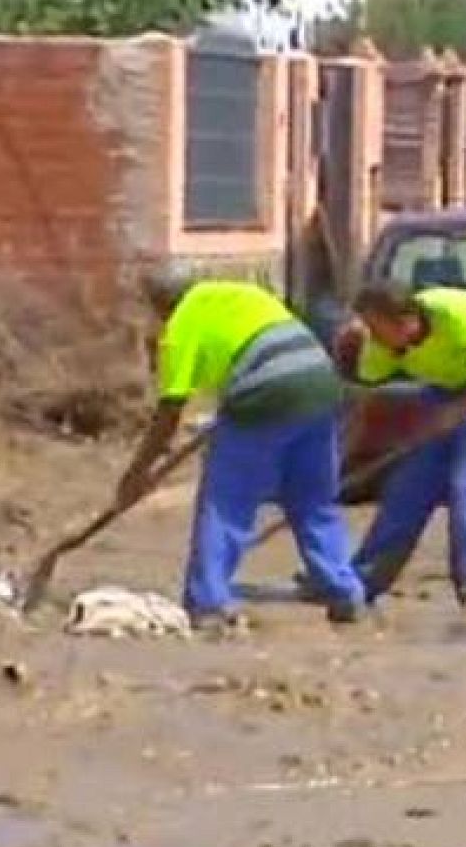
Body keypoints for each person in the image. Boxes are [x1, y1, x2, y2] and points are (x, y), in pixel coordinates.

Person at [116, 268, 366, 631]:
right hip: (319, 378)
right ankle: (345, 593)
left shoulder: (181, 328)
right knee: (313, 501)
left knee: (226, 502)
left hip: (264, 390)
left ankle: (208, 602)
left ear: (161, 308)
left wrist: (136, 474)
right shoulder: (240, 292)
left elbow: (168, 414)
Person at [342, 279, 466, 615]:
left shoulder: (459, 318)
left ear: (407, 320)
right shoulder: (381, 348)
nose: (375, 338)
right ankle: (362, 583)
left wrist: (458, 412)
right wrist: (347, 455)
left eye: (378, 328)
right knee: (407, 490)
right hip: (440, 395)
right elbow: (365, 402)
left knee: (464, 488)